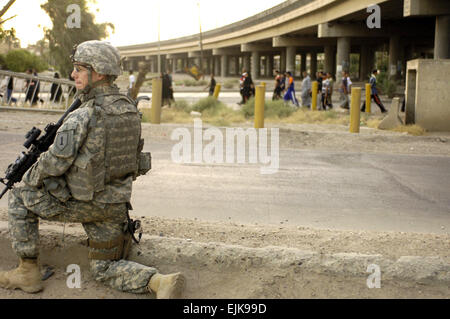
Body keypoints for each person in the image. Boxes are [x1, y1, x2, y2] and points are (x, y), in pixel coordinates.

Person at [0, 40, 185, 299]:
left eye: (79, 68)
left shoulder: (83, 115)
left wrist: (28, 175)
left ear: (97, 72)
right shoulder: (129, 110)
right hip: (115, 206)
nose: (73, 74)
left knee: (19, 198)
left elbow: (55, 162)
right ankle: (159, 282)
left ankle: (27, 271)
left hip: (83, 202)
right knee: (104, 268)